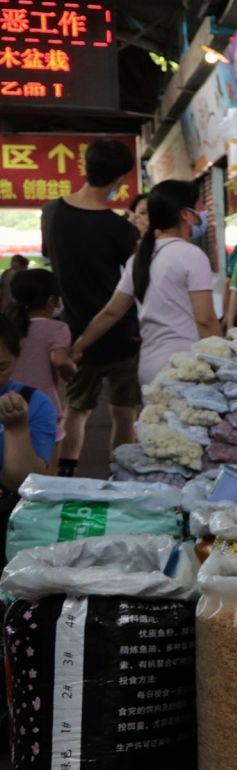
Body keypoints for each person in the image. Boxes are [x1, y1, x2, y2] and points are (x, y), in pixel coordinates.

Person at [41, 141, 142, 471]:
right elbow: (134, 284)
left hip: (72, 332)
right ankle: (120, 476)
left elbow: (50, 259)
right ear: (120, 178)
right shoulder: (120, 229)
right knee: (123, 412)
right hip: (120, 332)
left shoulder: (52, 212)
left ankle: (66, 475)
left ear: (86, 167)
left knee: (76, 410)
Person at [70, 181, 219, 385]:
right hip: (186, 365)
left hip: (149, 365)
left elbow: (111, 312)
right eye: (201, 208)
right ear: (185, 214)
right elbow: (206, 319)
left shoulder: (139, 258)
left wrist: (78, 346)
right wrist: (224, 361)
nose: (204, 214)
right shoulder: (191, 255)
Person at [0, 314, 61, 552]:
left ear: (16, 359)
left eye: (1, 367)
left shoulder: (32, 403)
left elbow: (25, 482)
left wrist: (17, 429)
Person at [9, 269, 75, 447]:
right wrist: (71, 369)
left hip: (8, 402)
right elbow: (59, 360)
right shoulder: (57, 328)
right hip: (42, 403)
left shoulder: (9, 327)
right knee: (46, 463)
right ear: (52, 301)